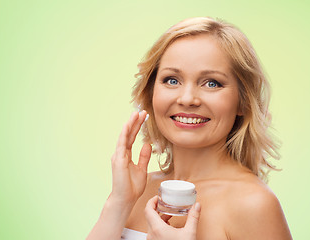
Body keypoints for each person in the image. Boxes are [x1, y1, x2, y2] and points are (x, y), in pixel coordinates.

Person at [87, 17, 292, 240]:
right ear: (151, 92)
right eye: (172, 80)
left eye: (212, 83)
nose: (187, 99)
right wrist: (118, 202)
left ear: (243, 101)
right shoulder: (136, 191)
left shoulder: (253, 204)